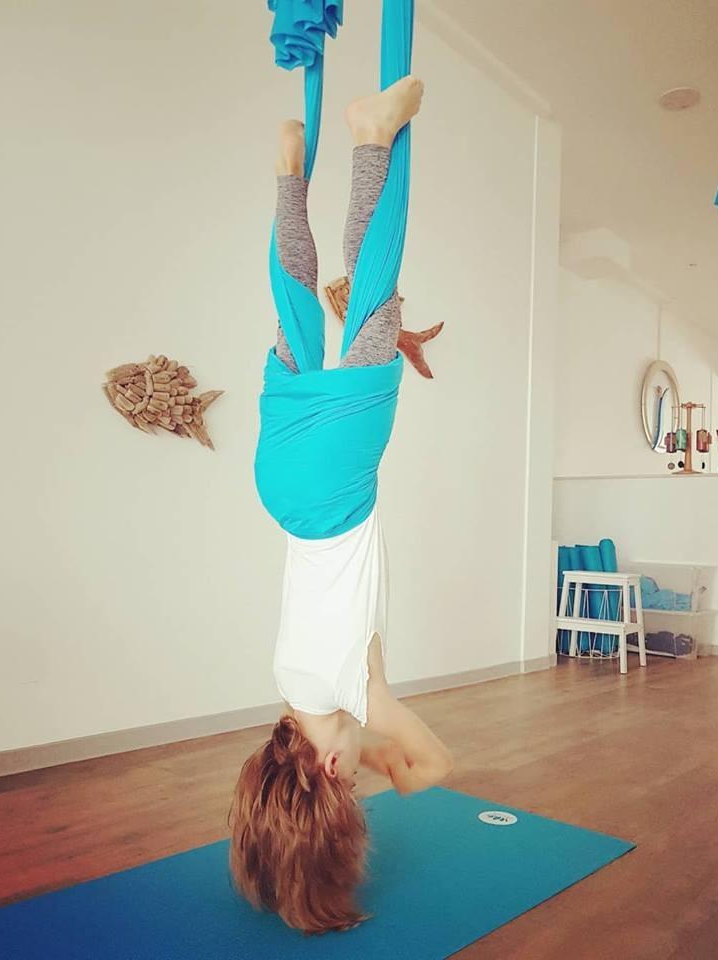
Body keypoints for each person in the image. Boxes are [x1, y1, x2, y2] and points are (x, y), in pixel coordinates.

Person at [229, 76, 452, 935]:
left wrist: (393, 767)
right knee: (296, 313)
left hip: (330, 490)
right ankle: (290, 164)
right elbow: (357, 738)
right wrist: (363, 751)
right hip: (281, 488)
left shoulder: (360, 697)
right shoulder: (293, 688)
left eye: (348, 779)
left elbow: (432, 765)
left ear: (327, 762)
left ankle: (370, 137)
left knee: (375, 294)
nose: (361, 771)